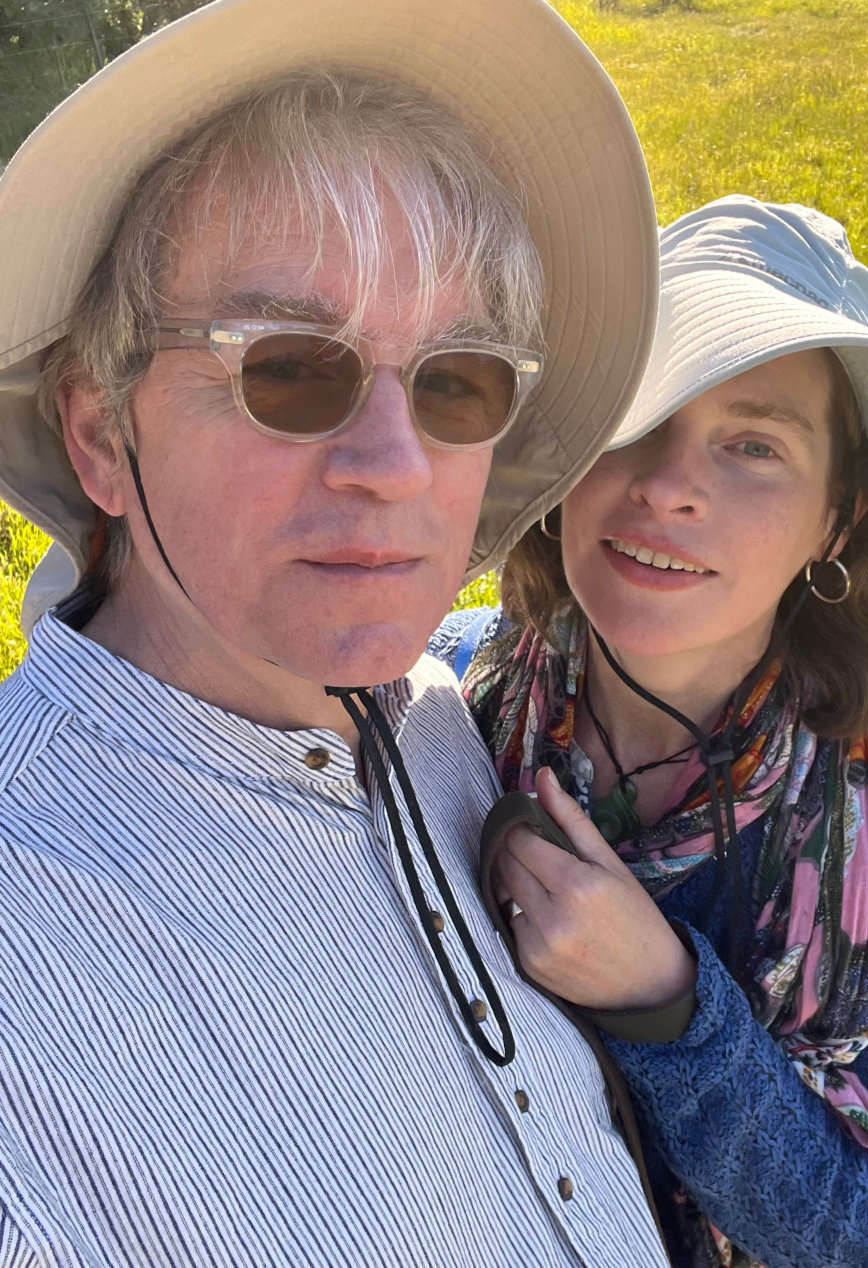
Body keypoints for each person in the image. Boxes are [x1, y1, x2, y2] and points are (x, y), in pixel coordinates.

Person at [0, 0, 671, 1263]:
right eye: (289, 368)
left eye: (456, 379)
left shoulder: (431, 713)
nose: (394, 466)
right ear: (101, 432)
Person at [433, 195, 868, 1268]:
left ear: (840, 521)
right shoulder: (445, 694)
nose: (662, 488)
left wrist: (669, 1005)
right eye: (636, 422)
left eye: (752, 445)